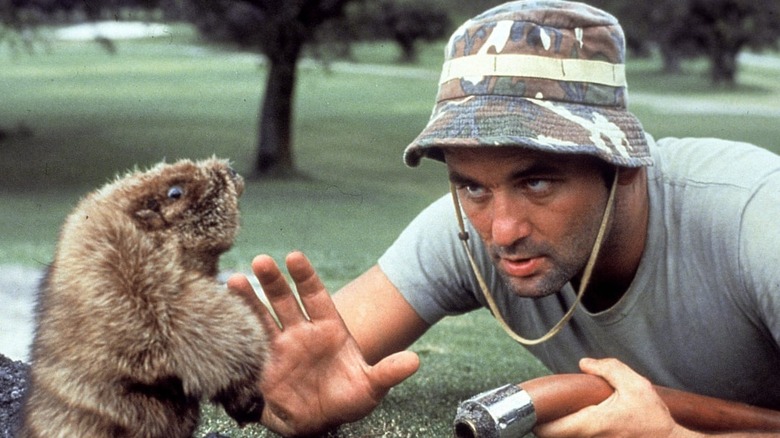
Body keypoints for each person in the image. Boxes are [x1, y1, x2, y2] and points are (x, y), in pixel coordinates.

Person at [228, 1, 780, 436]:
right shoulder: (468, 228)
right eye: (472, 185)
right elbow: (317, 359)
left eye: (537, 182)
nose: (502, 231)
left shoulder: (755, 217)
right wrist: (281, 395)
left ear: (624, 165)